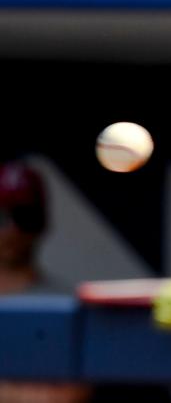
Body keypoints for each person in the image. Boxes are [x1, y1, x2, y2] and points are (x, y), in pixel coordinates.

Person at [0, 160, 93, 402]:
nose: (12, 230)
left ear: (42, 222)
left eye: (24, 217)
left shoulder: (66, 304)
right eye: (0, 217)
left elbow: (65, 395)